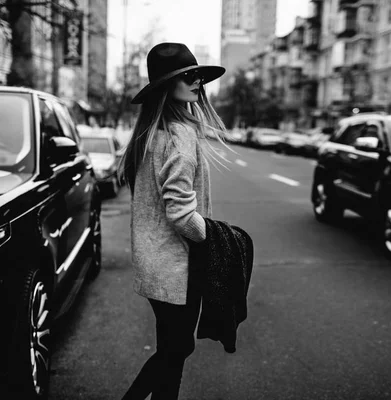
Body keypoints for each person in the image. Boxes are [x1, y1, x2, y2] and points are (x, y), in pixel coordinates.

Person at [119, 42, 228, 400]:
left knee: (173, 347)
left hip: (154, 263)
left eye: (197, 74)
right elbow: (180, 212)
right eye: (186, 76)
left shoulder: (149, 135)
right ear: (167, 86)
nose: (196, 81)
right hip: (177, 265)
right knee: (176, 349)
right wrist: (211, 236)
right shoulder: (180, 136)